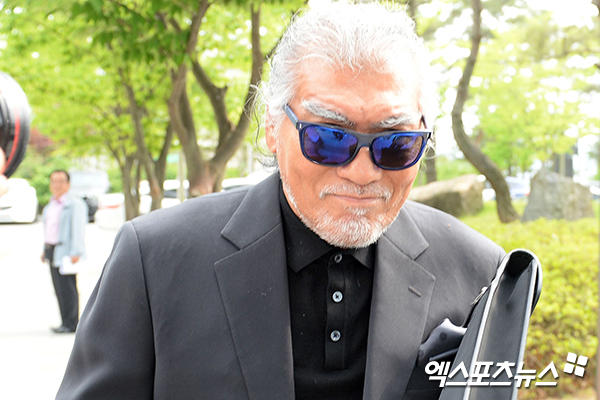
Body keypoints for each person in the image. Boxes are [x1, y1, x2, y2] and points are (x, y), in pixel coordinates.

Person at [57, 2, 504, 399]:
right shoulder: (154, 260)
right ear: (273, 128)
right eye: (329, 139)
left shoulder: (479, 272)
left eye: (396, 144)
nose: (362, 172)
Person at [42, 169, 88, 334]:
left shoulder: (74, 204)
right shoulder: (51, 205)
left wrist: (76, 251)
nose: (57, 185)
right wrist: (44, 250)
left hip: (67, 252)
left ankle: (72, 323)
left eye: (61, 181)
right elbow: (49, 229)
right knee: (59, 288)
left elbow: (78, 229)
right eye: (54, 181)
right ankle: (65, 321)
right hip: (52, 249)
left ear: (68, 184)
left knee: (68, 288)